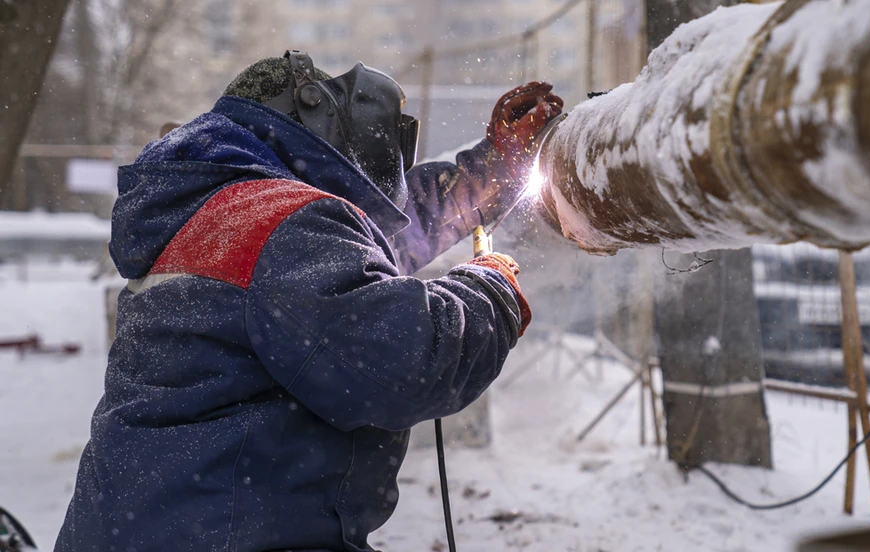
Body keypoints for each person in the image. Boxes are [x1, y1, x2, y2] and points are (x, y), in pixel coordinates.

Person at [55, 51, 563, 552]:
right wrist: (488, 288)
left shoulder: (219, 212)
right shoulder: (279, 223)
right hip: (223, 533)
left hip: (152, 526)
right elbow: (409, 361)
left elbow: (369, 252)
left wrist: (490, 172)